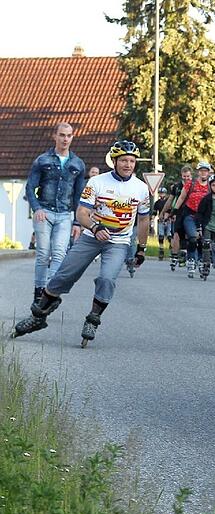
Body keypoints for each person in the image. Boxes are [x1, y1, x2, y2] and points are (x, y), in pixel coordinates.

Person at [12, 141, 150, 346]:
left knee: (107, 280)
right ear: (114, 161)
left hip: (118, 242)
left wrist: (141, 248)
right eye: (123, 160)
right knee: (63, 275)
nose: (128, 165)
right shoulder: (97, 183)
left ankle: (93, 319)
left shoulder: (140, 188)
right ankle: (38, 316)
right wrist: (95, 228)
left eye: (131, 161)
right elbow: (82, 213)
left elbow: (144, 220)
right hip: (91, 237)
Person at [25, 122, 87, 301]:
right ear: (55, 136)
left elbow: (78, 195)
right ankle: (38, 290)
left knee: (60, 253)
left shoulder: (78, 164)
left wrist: (77, 222)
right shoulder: (42, 160)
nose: (65, 139)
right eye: (62, 135)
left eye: (68, 135)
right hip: (44, 211)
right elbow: (30, 188)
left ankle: (48, 294)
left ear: (72, 137)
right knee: (44, 254)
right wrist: (36, 209)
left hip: (65, 215)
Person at [171, 161, 212, 277]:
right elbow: (181, 197)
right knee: (193, 237)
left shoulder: (211, 186)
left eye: (206, 171)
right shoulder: (191, 184)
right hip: (190, 215)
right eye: (201, 170)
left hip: (204, 217)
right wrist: (174, 211)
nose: (203, 173)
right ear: (198, 172)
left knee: (202, 240)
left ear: (208, 173)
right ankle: (191, 259)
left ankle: (199, 260)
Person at [162, 166, 192, 270]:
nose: (186, 178)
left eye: (188, 176)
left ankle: (188, 255)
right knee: (176, 234)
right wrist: (165, 212)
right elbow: (170, 200)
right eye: (184, 176)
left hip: (191, 212)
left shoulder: (195, 185)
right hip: (178, 212)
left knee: (191, 235)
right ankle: (175, 255)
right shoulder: (177, 186)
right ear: (181, 175)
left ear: (191, 175)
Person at [153, 187, 172, 259]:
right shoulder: (157, 203)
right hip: (161, 221)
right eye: (160, 193)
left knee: (169, 236)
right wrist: (152, 217)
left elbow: (171, 210)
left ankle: (171, 250)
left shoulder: (168, 201)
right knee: (161, 236)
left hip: (168, 220)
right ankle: (161, 250)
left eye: (163, 193)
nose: (161, 195)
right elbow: (155, 211)